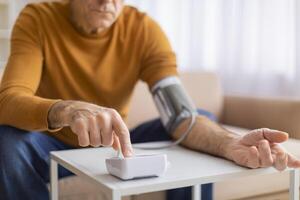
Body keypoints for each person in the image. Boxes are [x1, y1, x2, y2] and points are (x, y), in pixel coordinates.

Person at [0, 0, 299, 200]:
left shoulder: (143, 29)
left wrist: (228, 144)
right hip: (47, 142)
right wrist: (65, 108)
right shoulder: (37, 17)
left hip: (115, 143)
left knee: (203, 116)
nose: (107, 2)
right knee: (6, 140)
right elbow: (8, 99)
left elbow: (181, 116)